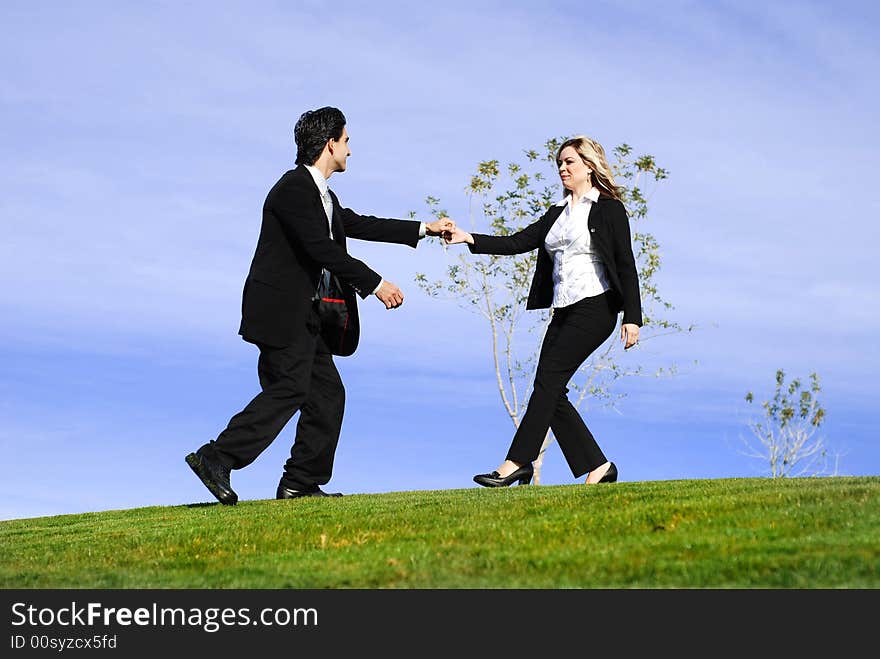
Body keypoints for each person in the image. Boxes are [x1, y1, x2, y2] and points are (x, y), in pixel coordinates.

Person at [186, 106, 453, 504]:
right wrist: (375, 283)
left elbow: (360, 224)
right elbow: (320, 248)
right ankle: (216, 457)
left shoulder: (322, 195)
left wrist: (424, 229)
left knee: (327, 394)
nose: (349, 149)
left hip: (307, 317)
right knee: (291, 387)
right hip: (280, 311)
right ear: (331, 143)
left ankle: (300, 482)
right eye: (346, 141)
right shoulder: (292, 189)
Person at [443, 135, 641, 487]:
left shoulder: (609, 208)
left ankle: (517, 461)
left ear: (589, 166)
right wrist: (468, 237)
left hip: (597, 307)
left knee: (548, 383)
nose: (563, 169)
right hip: (563, 310)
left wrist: (633, 317)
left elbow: (626, 264)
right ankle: (598, 466)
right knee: (548, 387)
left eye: (570, 162)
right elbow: (517, 242)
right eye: (560, 164)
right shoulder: (557, 213)